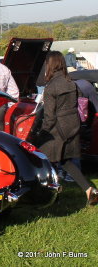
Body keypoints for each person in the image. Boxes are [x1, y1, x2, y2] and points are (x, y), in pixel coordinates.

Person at [36, 51, 98, 206]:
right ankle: (89, 189)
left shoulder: (50, 87)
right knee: (65, 160)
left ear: (49, 65)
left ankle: (51, 196)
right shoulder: (70, 82)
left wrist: (41, 134)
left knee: (43, 159)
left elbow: (49, 117)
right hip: (73, 124)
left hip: (58, 127)